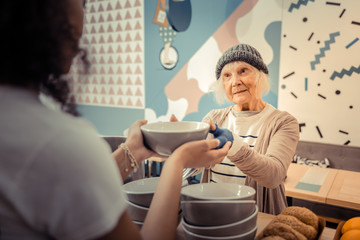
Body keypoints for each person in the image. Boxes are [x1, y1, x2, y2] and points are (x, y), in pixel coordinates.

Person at [0, 1, 231, 239]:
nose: (85, 8)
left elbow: (70, 186)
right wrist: (177, 162)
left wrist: (133, 151)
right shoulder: (58, 142)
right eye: (81, 2)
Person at [202, 43, 299, 215]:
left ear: (261, 75)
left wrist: (233, 144)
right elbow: (197, 162)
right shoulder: (213, 118)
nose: (235, 82)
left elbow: (273, 176)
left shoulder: (284, 122)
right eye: (227, 75)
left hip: (255, 219)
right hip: (213, 214)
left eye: (243, 71)